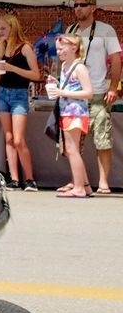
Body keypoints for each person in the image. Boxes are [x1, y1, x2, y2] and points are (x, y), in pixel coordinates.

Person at [65, 0, 121, 194]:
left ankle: (103, 182)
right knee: (72, 140)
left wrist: (113, 87)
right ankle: (78, 181)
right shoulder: (70, 30)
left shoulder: (105, 30)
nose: (78, 8)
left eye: (83, 5)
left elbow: (116, 59)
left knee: (102, 138)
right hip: (74, 93)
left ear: (93, 8)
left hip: (97, 91)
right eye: (76, 5)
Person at [0, 14, 41, 191]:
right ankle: (14, 178)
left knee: (19, 139)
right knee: (9, 137)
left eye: (3, 28)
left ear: (12, 28)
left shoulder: (25, 48)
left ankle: (30, 179)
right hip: (3, 93)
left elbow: (36, 75)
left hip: (19, 94)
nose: (0, 32)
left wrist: (12, 68)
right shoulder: (2, 48)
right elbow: (0, 77)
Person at [48, 33, 94, 198]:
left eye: (62, 48)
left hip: (76, 113)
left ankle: (79, 188)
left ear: (74, 47)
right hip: (66, 111)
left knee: (72, 149)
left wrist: (62, 91)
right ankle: (85, 186)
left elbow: (89, 92)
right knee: (70, 150)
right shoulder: (65, 67)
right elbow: (70, 88)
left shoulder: (78, 67)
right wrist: (57, 84)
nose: (59, 52)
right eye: (58, 49)